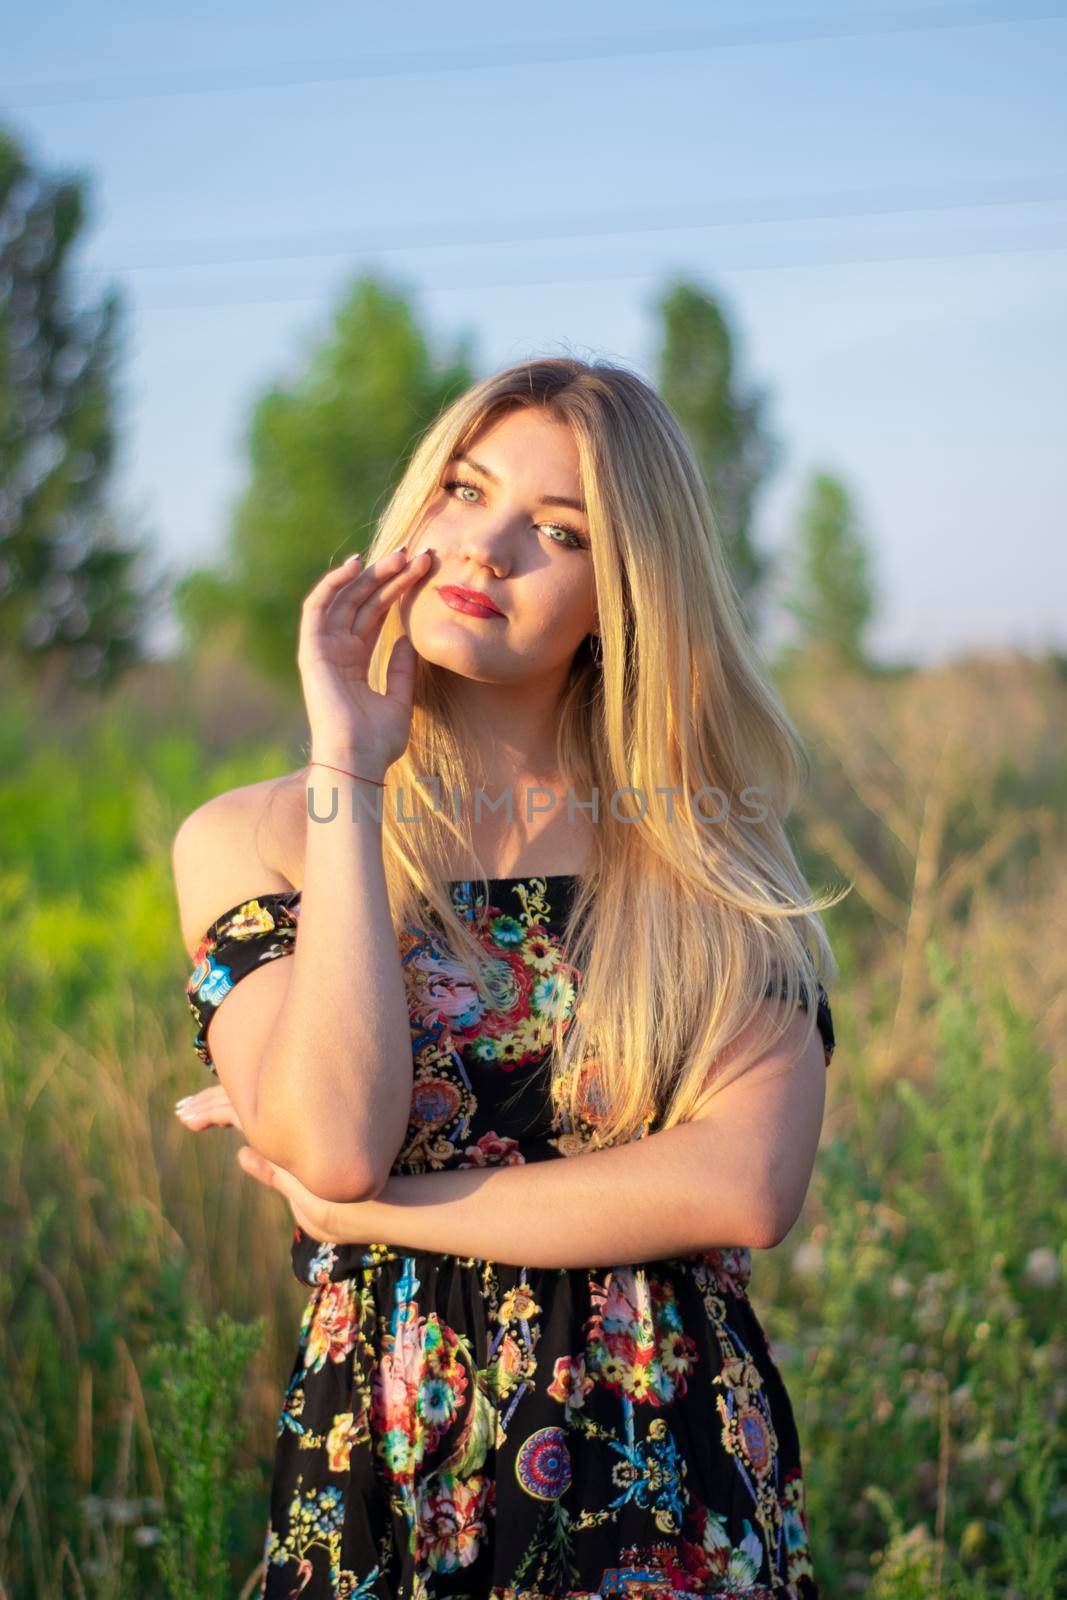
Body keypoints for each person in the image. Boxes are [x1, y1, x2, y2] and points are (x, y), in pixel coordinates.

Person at [173, 356, 844, 1599]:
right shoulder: (251, 837)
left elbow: (745, 1182)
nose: (486, 548)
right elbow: (330, 1143)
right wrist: (351, 775)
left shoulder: (699, 847)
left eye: (558, 530)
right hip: (388, 1469)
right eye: (462, 490)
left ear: (625, 591)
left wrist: (375, 1219)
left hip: (666, 1476)